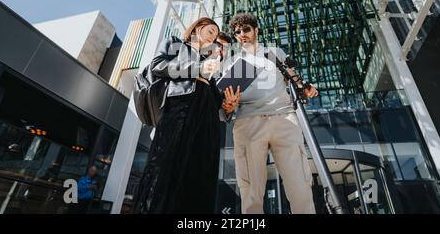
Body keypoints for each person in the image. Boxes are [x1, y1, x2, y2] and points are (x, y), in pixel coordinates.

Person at [134, 17, 240, 214]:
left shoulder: (212, 65)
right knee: (166, 169)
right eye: (211, 32)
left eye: (216, 36)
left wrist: (228, 106)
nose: (213, 39)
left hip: (208, 121)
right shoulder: (175, 43)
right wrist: (197, 69)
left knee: (202, 175)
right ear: (197, 28)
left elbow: (217, 103)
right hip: (180, 109)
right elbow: (157, 65)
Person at [227, 13, 319, 214]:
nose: (242, 34)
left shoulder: (274, 52)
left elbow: (296, 80)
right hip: (247, 123)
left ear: (256, 30)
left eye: (246, 29)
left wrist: (306, 88)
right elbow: (226, 104)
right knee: (251, 190)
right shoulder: (231, 62)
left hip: (284, 119)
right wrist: (228, 105)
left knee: (300, 185)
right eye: (237, 32)